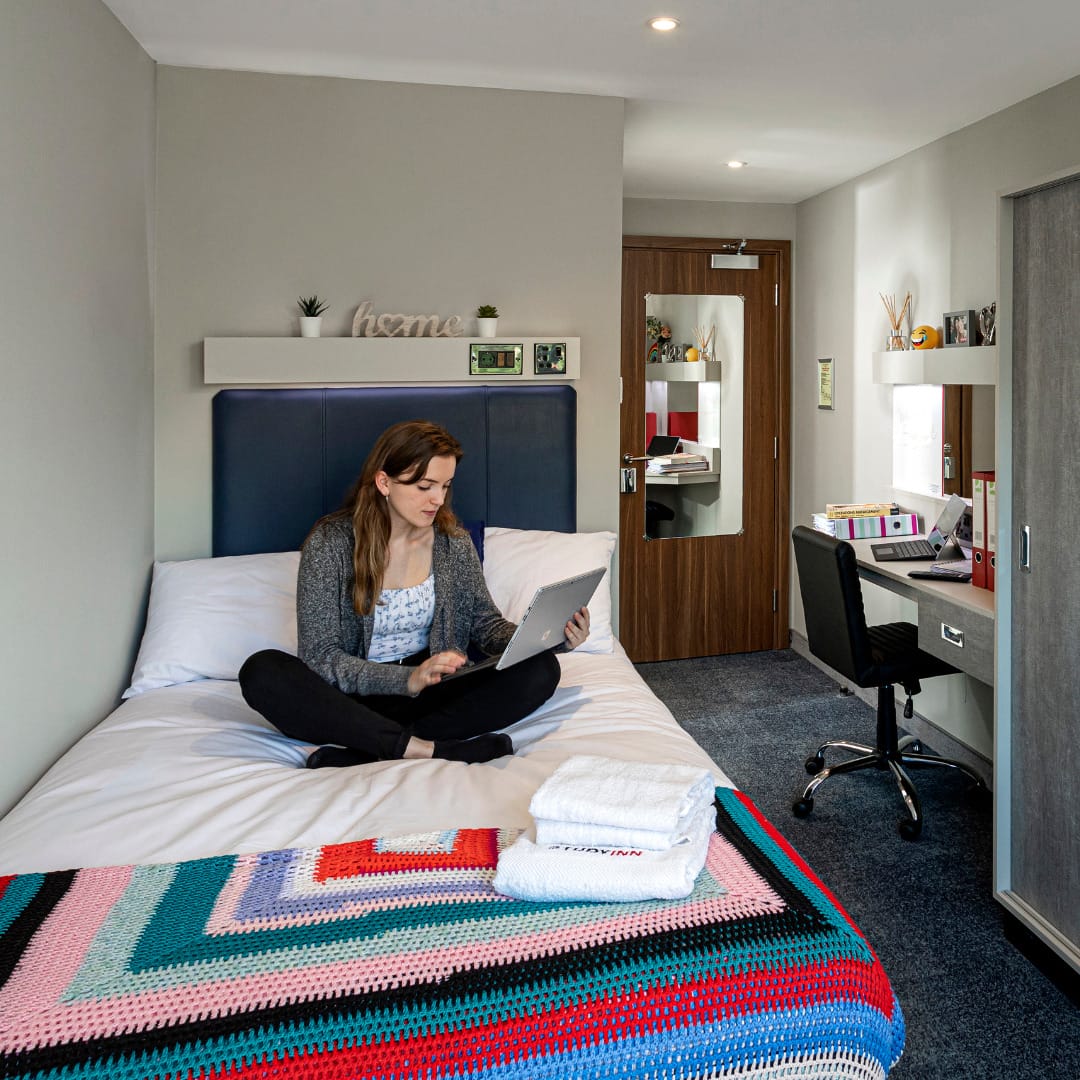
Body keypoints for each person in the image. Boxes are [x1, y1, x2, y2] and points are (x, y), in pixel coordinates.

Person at [239, 419, 590, 768]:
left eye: (445, 486)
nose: (438, 499)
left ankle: (370, 747)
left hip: (431, 694)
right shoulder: (330, 544)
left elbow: (486, 626)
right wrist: (406, 679)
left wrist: (548, 636)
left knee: (542, 670)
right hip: (350, 699)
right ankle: (432, 750)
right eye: (425, 486)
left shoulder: (453, 542)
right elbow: (322, 657)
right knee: (263, 671)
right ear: (384, 482)